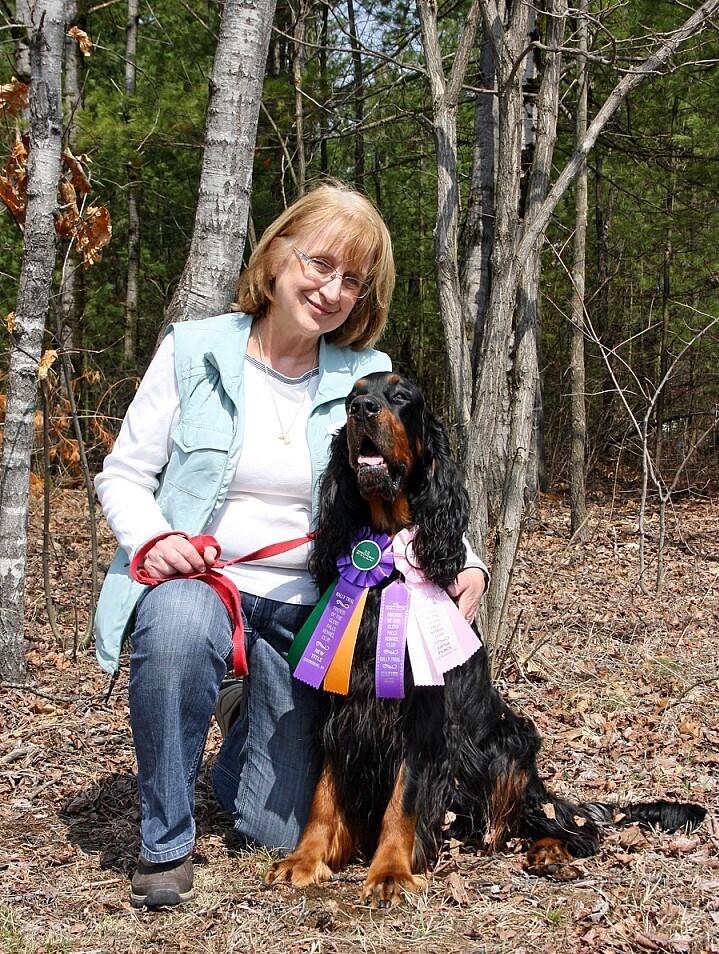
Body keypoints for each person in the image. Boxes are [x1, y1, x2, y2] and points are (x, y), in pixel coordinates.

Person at [94, 181, 489, 909]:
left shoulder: (363, 376)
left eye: (352, 279)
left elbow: (404, 479)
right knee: (179, 622)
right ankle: (165, 845)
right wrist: (156, 537)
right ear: (276, 257)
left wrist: (464, 559)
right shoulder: (195, 350)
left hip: (315, 612)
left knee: (279, 832)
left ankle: (244, 716)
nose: (331, 289)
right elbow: (122, 474)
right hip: (205, 586)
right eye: (319, 264)